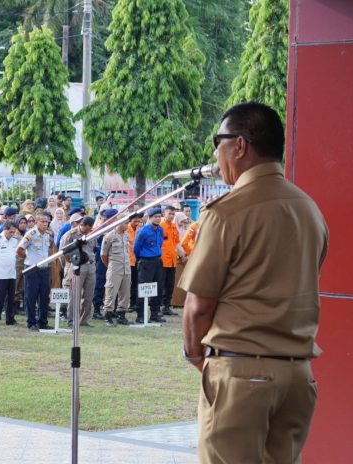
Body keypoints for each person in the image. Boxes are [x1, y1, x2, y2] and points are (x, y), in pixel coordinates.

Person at [180, 102, 329, 463]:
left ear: (241, 145)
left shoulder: (227, 212)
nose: (216, 153)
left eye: (219, 141)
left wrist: (195, 355)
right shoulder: (309, 209)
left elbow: (198, 305)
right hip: (297, 377)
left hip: (242, 374)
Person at [18, 213, 54, 331]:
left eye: (47, 222)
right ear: (37, 222)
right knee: (31, 297)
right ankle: (31, 322)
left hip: (44, 268)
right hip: (32, 268)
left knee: (44, 297)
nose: (45, 224)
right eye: (43, 221)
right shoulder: (31, 234)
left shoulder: (48, 235)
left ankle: (43, 322)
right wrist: (28, 258)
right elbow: (19, 249)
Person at [61, 216, 97, 327]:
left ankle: (84, 320)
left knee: (89, 296)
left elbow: (93, 247)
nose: (90, 230)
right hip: (77, 266)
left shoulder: (92, 234)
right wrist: (71, 263)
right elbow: (64, 252)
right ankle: (71, 320)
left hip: (90, 266)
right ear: (83, 225)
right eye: (88, 228)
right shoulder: (70, 234)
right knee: (74, 294)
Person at [133, 207, 166, 323]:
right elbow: (136, 248)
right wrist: (141, 259)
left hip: (157, 260)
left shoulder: (161, 230)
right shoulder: (143, 231)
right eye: (155, 217)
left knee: (158, 287)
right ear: (150, 217)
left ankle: (155, 313)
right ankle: (140, 315)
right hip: (146, 261)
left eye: (159, 217)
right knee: (143, 287)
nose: (158, 219)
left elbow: (160, 244)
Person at [101, 219, 132, 326]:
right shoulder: (109, 236)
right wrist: (110, 266)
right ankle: (108, 315)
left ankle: (121, 315)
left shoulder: (126, 235)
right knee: (111, 291)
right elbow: (103, 255)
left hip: (126, 267)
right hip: (114, 267)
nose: (127, 225)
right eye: (125, 223)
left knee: (125, 293)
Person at [159, 205, 186, 316]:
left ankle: (166, 307)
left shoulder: (174, 227)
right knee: (161, 285)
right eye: (169, 213)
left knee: (170, 285)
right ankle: (157, 308)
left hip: (172, 261)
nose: (171, 216)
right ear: (164, 214)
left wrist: (183, 254)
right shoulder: (160, 226)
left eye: (173, 214)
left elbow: (177, 243)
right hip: (161, 261)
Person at [126, 214, 143, 312]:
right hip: (128, 261)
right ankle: (127, 304)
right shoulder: (126, 230)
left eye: (138, 221)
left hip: (137, 260)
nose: (136, 223)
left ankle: (133, 303)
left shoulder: (139, 230)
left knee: (135, 283)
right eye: (134, 221)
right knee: (127, 284)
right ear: (130, 220)